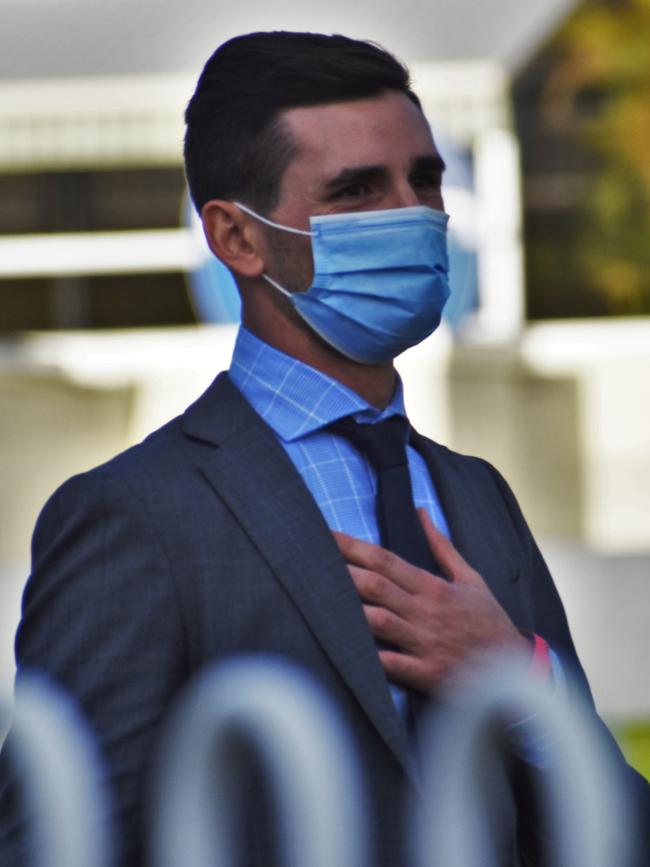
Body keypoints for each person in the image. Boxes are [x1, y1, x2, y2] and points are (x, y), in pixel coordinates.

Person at [1, 30, 648, 867]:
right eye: (356, 191)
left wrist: (520, 687)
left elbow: (610, 834)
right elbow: (57, 840)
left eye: (425, 179)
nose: (412, 215)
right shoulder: (136, 513)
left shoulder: (476, 492)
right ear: (238, 238)